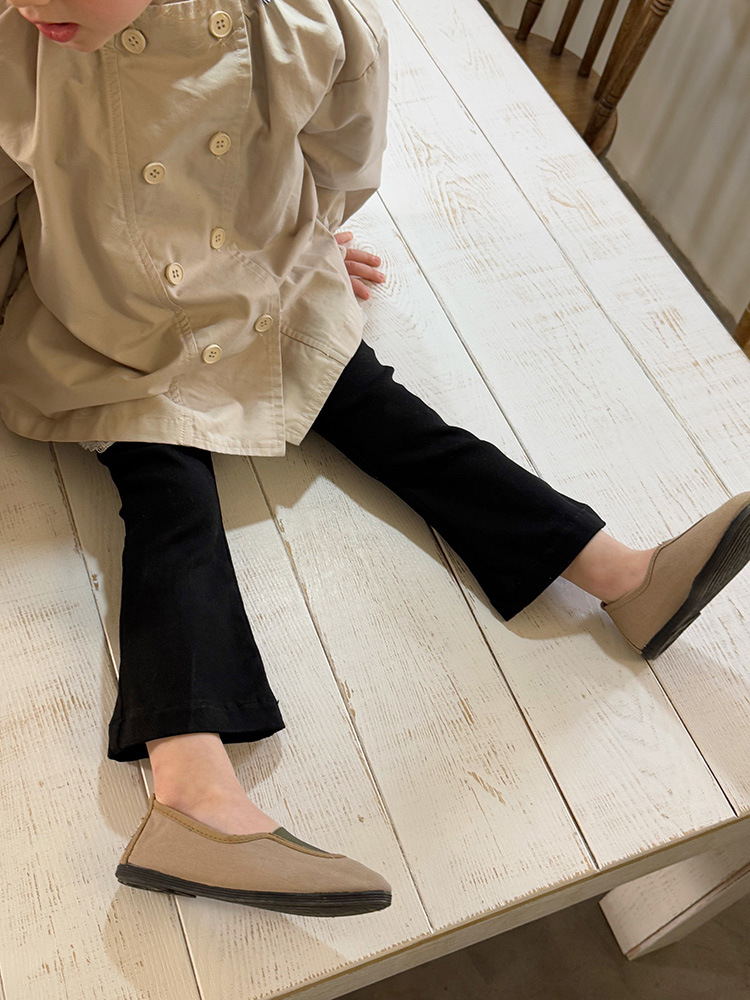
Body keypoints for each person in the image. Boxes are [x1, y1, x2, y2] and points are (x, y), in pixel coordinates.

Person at [1, 0, 748, 918]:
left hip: (260, 290)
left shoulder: (302, 22)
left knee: (388, 414)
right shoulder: (17, 42)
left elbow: (338, 157)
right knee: (169, 496)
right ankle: (190, 789)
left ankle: (623, 575)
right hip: (105, 316)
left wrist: (306, 238)